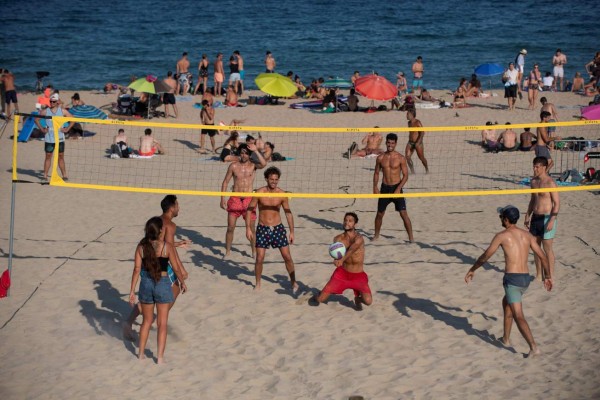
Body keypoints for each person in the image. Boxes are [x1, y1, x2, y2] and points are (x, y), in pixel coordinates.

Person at [464, 206, 552, 358]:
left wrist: (473, 269)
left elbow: (486, 256)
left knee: (518, 315)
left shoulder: (501, 236)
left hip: (512, 280)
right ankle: (505, 339)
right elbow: (543, 257)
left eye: (501, 217)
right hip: (525, 279)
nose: (500, 219)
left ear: (506, 219)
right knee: (506, 303)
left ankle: (533, 347)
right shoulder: (527, 235)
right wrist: (548, 276)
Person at [124, 195, 191, 339]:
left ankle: (129, 322)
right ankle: (158, 316)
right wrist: (182, 269)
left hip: (148, 259)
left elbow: (159, 242)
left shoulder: (156, 221)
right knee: (175, 288)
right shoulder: (171, 225)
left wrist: (178, 244)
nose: (179, 208)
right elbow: (169, 248)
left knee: (148, 297)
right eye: (177, 205)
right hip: (161, 263)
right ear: (172, 208)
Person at [128, 216, 187, 363]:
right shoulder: (166, 247)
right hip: (162, 283)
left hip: (146, 283)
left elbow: (136, 270)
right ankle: (159, 358)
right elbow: (176, 268)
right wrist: (182, 282)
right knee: (162, 324)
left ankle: (140, 354)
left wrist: (132, 291)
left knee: (146, 321)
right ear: (160, 230)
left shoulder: (141, 247)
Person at [245, 166, 298, 291]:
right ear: (266, 179)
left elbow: (288, 213)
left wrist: (292, 232)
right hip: (263, 228)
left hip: (278, 228)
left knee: (287, 257)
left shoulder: (282, 194)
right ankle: (258, 283)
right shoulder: (259, 193)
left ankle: (293, 282)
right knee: (259, 258)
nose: (274, 182)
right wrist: (248, 228)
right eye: (271, 179)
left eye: (276, 179)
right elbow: (249, 210)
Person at [309, 212, 372, 311]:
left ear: (355, 224)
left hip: (358, 275)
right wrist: (336, 260)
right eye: (345, 220)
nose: (347, 222)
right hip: (342, 274)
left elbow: (352, 249)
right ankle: (316, 295)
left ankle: (357, 299)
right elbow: (336, 255)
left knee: (368, 301)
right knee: (320, 299)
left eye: (350, 221)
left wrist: (342, 259)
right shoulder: (338, 239)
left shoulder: (359, 238)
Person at [220, 143, 266, 258]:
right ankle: (227, 252)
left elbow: (264, 164)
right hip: (235, 198)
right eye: (241, 153)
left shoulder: (253, 165)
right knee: (230, 228)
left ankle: (254, 251)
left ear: (249, 154)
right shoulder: (233, 166)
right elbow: (225, 182)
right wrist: (222, 198)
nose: (243, 155)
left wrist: (256, 150)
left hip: (249, 200)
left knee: (252, 228)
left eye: (246, 153)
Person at [373, 133, 414, 242]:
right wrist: (375, 187)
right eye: (388, 142)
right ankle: (376, 236)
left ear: (395, 144)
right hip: (385, 188)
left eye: (392, 143)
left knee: (403, 214)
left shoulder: (400, 158)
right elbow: (376, 173)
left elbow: (405, 175)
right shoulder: (380, 158)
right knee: (379, 214)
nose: (390, 145)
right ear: (386, 142)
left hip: (396, 187)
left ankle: (411, 238)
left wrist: (398, 189)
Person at [525, 156, 560, 281]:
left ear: (544, 167)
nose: (534, 169)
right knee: (535, 247)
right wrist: (527, 215)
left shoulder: (550, 183)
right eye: (533, 166)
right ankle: (539, 275)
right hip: (535, 217)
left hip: (547, 218)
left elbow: (557, 204)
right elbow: (533, 200)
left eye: (537, 167)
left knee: (547, 248)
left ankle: (550, 275)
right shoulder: (533, 181)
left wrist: (552, 220)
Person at [35, 93, 74, 181]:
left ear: (57, 102)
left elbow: (73, 119)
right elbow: (36, 120)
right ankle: (45, 176)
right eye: (51, 101)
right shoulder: (45, 111)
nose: (52, 103)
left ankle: (64, 175)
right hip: (49, 137)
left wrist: (67, 129)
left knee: (61, 156)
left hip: (60, 137)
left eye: (54, 101)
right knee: (48, 156)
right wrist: (42, 129)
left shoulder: (62, 111)